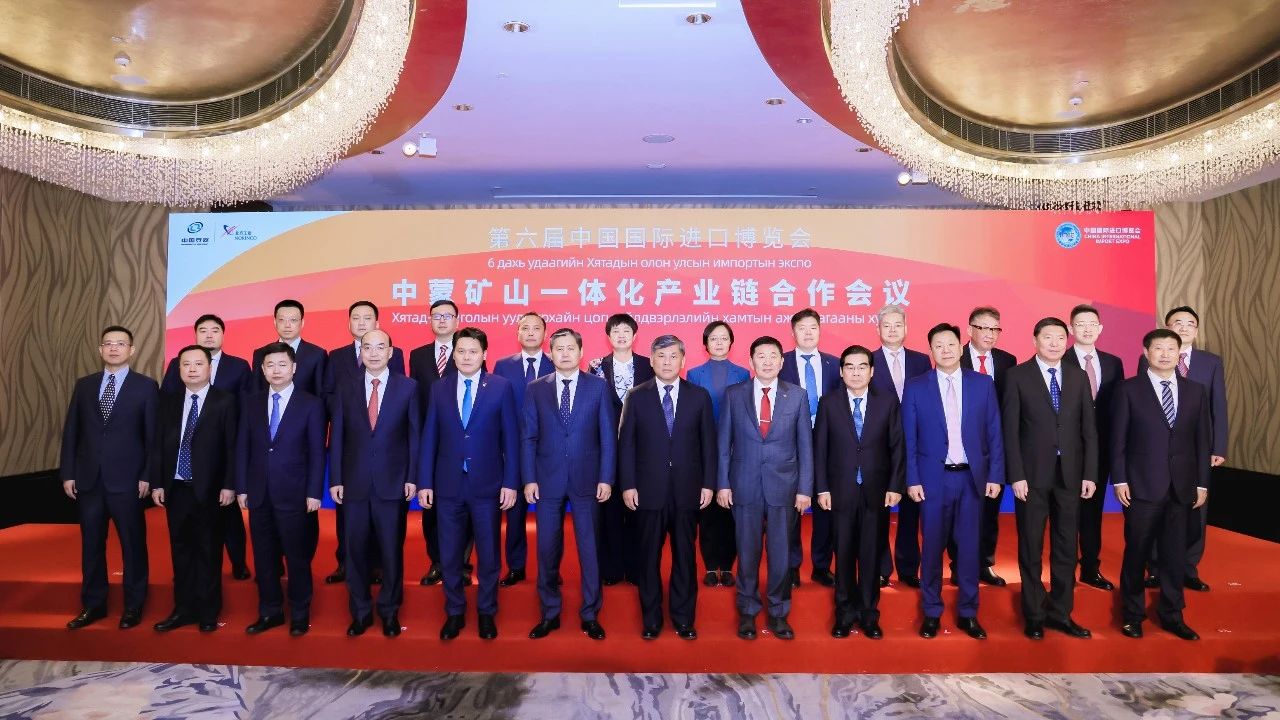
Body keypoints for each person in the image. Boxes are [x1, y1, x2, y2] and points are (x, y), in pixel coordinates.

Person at [903, 323, 1004, 640]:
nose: (945, 350)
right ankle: (931, 611)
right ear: (931, 351)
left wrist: (995, 474)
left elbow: (994, 432)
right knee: (932, 547)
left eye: (950, 344)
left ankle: (968, 613)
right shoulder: (916, 386)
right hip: (933, 480)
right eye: (938, 345)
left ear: (961, 347)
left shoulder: (982, 383)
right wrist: (912, 478)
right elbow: (909, 438)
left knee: (970, 549)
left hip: (972, 479)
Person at [419, 327, 520, 641]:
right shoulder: (439, 388)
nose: (466, 357)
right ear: (453, 354)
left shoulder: (501, 387)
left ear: (484, 354)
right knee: (449, 554)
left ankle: (487, 611)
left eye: (473, 351)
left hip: (487, 485)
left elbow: (511, 438)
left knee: (488, 554)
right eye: (460, 351)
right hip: (448, 485)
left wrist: (511, 482)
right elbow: (429, 437)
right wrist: (425, 482)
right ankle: (455, 611)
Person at [1002, 318, 1098, 640]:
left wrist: (1090, 473)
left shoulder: (1078, 376)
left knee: (1066, 546)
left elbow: (1089, 430)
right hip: (1031, 478)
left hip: (1070, 476)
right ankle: (1034, 614)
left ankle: (1061, 613)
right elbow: (1010, 431)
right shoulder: (1017, 376)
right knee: (1031, 546)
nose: (1055, 343)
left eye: (1060, 337)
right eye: (1048, 337)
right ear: (1035, 340)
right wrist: (1016, 474)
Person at [1113, 329, 1211, 641]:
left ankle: (1172, 614)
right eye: (1159, 348)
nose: (1165, 354)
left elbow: (1202, 441)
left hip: (1181, 487)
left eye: (1171, 348)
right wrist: (1120, 479)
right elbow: (1118, 440)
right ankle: (1132, 615)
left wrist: (1202, 483)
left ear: (1180, 353)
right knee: (1137, 552)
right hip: (1141, 486)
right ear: (1146, 352)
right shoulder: (1128, 389)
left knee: (1174, 555)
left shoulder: (1195, 391)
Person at [619, 335, 717, 640]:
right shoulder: (636, 396)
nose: (667, 362)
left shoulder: (699, 396)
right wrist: (628, 484)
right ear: (651, 360)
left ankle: (684, 619)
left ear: (683, 360)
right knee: (648, 558)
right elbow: (626, 445)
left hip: (688, 490)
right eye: (661, 356)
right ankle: (651, 620)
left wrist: (709, 484)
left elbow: (708, 445)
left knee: (685, 557)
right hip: (648, 491)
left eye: (673, 356)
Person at [717, 336, 813, 641]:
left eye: (773, 356)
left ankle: (778, 613)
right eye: (761, 356)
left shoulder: (797, 395)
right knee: (747, 552)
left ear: (782, 362)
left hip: (785, 486)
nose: (767, 361)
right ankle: (747, 611)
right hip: (743, 484)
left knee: (781, 554)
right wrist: (722, 484)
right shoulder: (734, 394)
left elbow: (805, 446)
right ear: (751, 361)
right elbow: (723, 444)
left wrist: (805, 489)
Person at [61, 326, 157, 630]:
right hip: (88, 479)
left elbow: (152, 437)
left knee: (132, 544)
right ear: (100, 350)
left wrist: (147, 474)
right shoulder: (85, 385)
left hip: (128, 480)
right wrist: (68, 473)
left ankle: (134, 606)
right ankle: (93, 605)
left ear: (132, 350)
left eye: (121, 344)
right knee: (91, 544)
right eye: (108, 344)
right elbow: (72, 432)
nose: (114, 348)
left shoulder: (146, 387)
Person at [522, 328, 616, 641]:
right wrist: (529, 479)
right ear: (550, 353)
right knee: (547, 549)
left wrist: (606, 477)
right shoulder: (536, 389)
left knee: (590, 550)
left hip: (587, 479)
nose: (564, 353)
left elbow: (607, 437)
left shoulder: (598, 387)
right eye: (559, 348)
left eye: (570, 348)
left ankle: (590, 614)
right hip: (547, 480)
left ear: (581, 352)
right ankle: (549, 613)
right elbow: (529, 437)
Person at [329, 329, 420, 638]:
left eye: (380, 347)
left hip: (392, 483)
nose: (374, 353)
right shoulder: (346, 386)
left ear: (391, 352)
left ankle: (390, 611)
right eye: (367, 347)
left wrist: (412, 477)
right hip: (353, 483)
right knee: (354, 550)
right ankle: (360, 612)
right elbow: (337, 435)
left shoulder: (408, 387)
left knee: (391, 551)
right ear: (361, 352)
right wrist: (336, 478)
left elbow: (414, 436)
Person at [237, 342, 327, 637]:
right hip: (259, 492)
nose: (276, 370)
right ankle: (270, 611)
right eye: (270, 365)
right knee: (264, 556)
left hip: (296, 493)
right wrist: (242, 487)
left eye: (282, 364)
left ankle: (300, 612)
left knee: (297, 555)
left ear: (294, 368)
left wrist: (314, 492)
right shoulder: (251, 403)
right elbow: (243, 448)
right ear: (262, 370)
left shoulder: (311, 404)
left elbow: (317, 452)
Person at [815, 345, 904, 640]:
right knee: (842, 555)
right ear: (841, 372)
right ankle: (844, 614)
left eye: (862, 366)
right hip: (840, 491)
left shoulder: (887, 402)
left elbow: (897, 447)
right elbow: (820, 449)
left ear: (872, 371)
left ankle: (868, 615)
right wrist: (822, 488)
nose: (856, 372)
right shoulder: (829, 403)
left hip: (876, 491)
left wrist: (895, 485)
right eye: (850, 367)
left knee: (870, 554)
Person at [1136, 306, 1227, 592]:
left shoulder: (1211, 362)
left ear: (1196, 330)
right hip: (1157, 451)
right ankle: (1155, 568)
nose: (1184, 327)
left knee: (1196, 510)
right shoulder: (1150, 358)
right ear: (1167, 327)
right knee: (1157, 506)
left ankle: (1188, 568)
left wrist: (1218, 446)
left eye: (1190, 323)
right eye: (1178, 322)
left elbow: (1218, 406)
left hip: (1196, 448)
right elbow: (1142, 403)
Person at [150, 345, 238, 633]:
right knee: (180, 550)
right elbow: (158, 446)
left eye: (198, 364)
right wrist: (158, 482)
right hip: (176, 487)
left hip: (211, 489)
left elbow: (232, 447)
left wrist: (229, 484)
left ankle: (208, 610)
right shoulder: (169, 402)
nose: (191, 369)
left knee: (208, 550)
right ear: (179, 369)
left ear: (209, 368)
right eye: (185, 364)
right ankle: (183, 609)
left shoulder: (225, 401)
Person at [162, 313, 252, 581]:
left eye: (215, 330)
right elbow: (167, 403)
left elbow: (246, 406)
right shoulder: (178, 365)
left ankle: (238, 561)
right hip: (188, 458)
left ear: (223, 334)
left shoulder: (239, 366)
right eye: (203, 330)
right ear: (195, 334)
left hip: (223, 453)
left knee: (229, 517)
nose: (209, 335)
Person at [323, 300, 405, 585]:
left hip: (387, 459)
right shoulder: (336, 356)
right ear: (348, 323)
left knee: (386, 526)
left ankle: (380, 567)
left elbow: (398, 400)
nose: (361, 322)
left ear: (377, 323)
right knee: (348, 520)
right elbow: (330, 398)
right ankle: (345, 564)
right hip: (353, 451)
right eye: (355, 318)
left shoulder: (395, 355)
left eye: (367, 318)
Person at [407, 299, 477, 587]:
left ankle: (462, 564)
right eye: (436, 316)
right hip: (430, 442)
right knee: (432, 507)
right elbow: (415, 399)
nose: (442, 320)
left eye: (448, 315)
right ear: (430, 320)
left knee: (466, 505)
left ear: (457, 320)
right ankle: (437, 562)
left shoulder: (468, 351)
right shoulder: (418, 355)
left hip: (462, 443)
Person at [952, 306, 1017, 587]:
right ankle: (959, 564)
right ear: (970, 330)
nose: (990, 334)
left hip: (994, 448)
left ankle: (984, 563)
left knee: (990, 509)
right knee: (961, 512)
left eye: (995, 329)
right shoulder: (955, 356)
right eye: (984, 328)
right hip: (961, 448)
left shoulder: (1007, 361)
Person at [869, 304, 933, 588]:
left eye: (898, 325)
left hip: (915, 447)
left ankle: (908, 568)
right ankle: (881, 567)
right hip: (879, 448)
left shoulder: (921, 361)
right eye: (887, 325)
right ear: (878, 329)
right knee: (878, 510)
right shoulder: (867, 361)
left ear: (906, 328)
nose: (892, 330)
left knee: (911, 510)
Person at [1063, 304, 1125, 591]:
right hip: (1066, 450)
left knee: (1092, 511)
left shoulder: (1113, 363)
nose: (1087, 329)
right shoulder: (1059, 360)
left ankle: (1090, 567)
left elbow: (1119, 409)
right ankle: (1064, 570)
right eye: (1080, 324)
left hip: (1100, 450)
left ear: (1100, 328)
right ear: (1071, 329)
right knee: (1066, 511)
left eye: (1092, 324)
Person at [490, 311, 555, 587]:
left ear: (545, 334)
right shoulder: (503, 366)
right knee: (514, 514)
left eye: (536, 328)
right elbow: (494, 407)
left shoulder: (557, 362)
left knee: (550, 516)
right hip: (514, 451)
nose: (530, 332)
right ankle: (516, 567)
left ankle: (551, 568)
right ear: (517, 333)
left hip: (549, 451)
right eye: (525, 328)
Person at [778, 308, 840, 588]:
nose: (807, 333)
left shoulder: (835, 364)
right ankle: (791, 566)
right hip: (790, 444)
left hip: (828, 444)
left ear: (820, 330)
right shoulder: (781, 363)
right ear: (793, 332)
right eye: (801, 328)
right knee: (791, 507)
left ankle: (821, 565)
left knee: (825, 505)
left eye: (813, 327)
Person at [590, 313, 653, 587]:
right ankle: (612, 567)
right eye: (615, 331)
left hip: (641, 448)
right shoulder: (596, 366)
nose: (621, 335)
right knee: (611, 509)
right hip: (607, 447)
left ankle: (637, 567)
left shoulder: (649, 365)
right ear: (608, 336)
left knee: (638, 509)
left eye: (626, 330)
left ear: (635, 335)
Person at [686, 321, 749, 588]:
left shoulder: (743, 373)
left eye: (724, 338)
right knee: (708, 511)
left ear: (731, 342)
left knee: (731, 511)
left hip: (736, 450)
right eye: (714, 338)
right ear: (705, 344)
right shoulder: (693, 374)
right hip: (704, 450)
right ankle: (711, 566)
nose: (719, 343)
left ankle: (728, 565)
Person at [250, 299, 327, 395]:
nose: (287, 325)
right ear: (275, 322)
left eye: (293, 320)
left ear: (302, 323)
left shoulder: (317, 355)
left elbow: (320, 392)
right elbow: (255, 392)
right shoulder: (260, 353)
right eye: (282, 320)